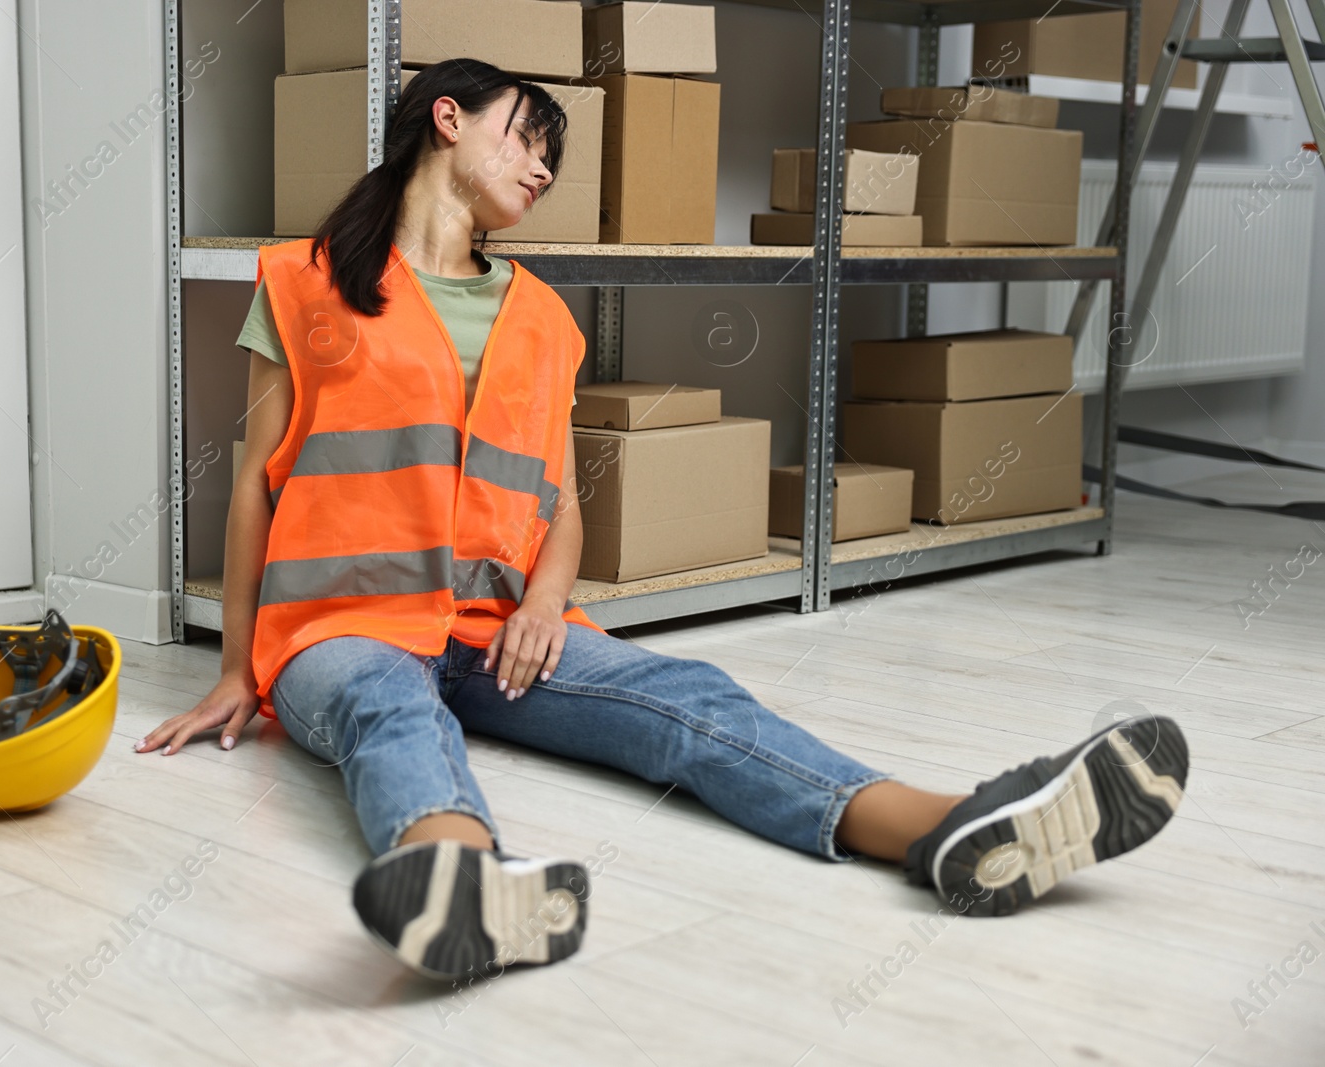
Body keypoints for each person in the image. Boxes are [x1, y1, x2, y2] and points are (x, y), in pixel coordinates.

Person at [136, 57, 1190, 983]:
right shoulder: (303, 279)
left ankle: (947, 826)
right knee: (388, 709)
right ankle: (458, 886)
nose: (543, 169)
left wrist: (547, 601)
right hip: (337, 627)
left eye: (552, 156)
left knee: (680, 695)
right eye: (526, 136)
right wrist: (237, 667)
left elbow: (558, 504)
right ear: (445, 118)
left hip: (487, 627)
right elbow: (254, 484)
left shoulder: (544, 320)